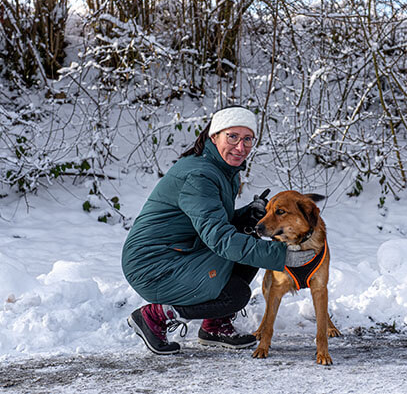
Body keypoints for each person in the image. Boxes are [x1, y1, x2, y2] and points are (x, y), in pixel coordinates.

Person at [121, 106, 315, 355]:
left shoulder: (221, 169)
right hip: (153, 266)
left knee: (249, 233)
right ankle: (155, 315)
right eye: (232, 137)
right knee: (235, 295)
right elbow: (220, 238)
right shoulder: (199, 176)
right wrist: (283, 257)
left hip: (180, 252)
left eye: (247, 139)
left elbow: (210, 220)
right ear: (214, 136)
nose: (240, 147)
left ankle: (214, 326)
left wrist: (246, 214)